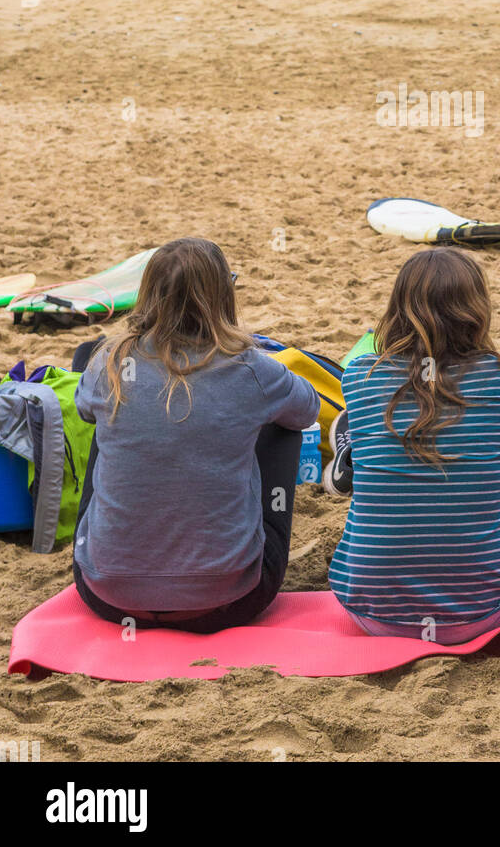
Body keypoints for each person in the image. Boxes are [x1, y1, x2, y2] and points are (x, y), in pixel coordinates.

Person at [72, 238, 319, 633]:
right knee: (282, 425)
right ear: (222, 296)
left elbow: (83, 407)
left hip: (108, 595)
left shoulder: (110, 363)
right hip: (230, 600)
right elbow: (306, 410)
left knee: (109, 420)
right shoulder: (251, 369)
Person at [328, 247, 500, 642]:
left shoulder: (358, 376)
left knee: (386, 461)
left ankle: (351, 451)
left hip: (370, 610)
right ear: (476, 309)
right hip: (486, 608)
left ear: (397, 309)